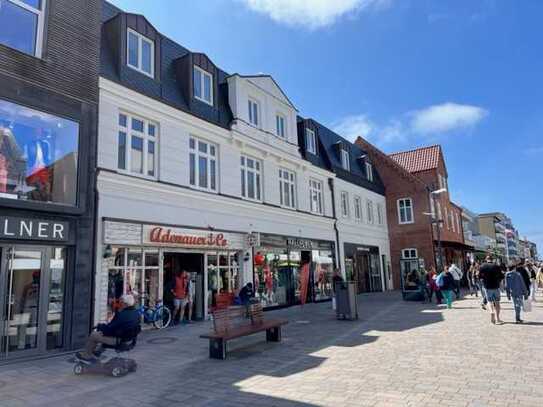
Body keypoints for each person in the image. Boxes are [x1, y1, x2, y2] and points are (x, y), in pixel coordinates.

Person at [77, 294, 140, 361]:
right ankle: (98, 352)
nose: (120, 304)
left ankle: (87, 355)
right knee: (103, 333)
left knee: (94, 335)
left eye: (121, 302)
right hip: (129, 340)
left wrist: (100, 327)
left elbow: (110, 329)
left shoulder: (122, 314)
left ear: (125, 304)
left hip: (119, 340)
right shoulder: (136, 313)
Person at [478, 256, 504, 324]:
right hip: (496, 286)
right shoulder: (496, 266)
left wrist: (484, 280)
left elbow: (479, 277)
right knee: (497, 303)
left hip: (487, 286)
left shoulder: (482, 266)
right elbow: (502, 276)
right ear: (492, 260)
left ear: (486, 259)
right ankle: (498, 318)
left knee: (490, 302)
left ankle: (492, 312)